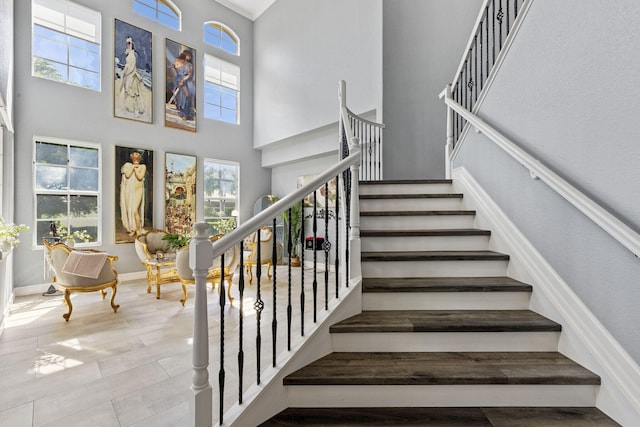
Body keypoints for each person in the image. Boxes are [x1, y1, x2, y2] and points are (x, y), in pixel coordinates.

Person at [120, 151, 146, 236]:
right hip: (129, 191)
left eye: (137, 157)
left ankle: (138, 230)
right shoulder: (128, 166)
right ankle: (133, 229)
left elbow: (140, 177)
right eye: (134, 156)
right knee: (130, 210)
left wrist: (135, 168)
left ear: (140, 158)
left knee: (134, 210)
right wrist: (133, 166)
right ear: (131, 157)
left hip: (138, 190)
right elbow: (127, 175)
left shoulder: (142, 166)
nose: (136, 158)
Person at [121, 36, 145, 115]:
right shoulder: (128, 53)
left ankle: (137, 109)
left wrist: (127, 71)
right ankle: (127, 106)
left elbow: (132, 65)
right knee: (127, 90)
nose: (128, 46)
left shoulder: (132, 55)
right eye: (127, 44)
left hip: (132, 75)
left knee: (133, 92)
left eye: (129, 44)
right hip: (128, 74)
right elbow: (127, 64)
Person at [171, 50, 195, 121]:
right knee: (177, 94)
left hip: (185, 81)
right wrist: (178, 76)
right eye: (188, 55)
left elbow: (190, 74)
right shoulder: (177, 61)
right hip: (178, 79)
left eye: (190, 56)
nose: (189, 57)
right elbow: (174, 68)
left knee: (186, 95)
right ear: (185, 54)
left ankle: (185, 113)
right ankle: (180, 109)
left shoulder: (190, 65)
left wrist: (183, 80)